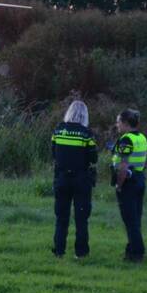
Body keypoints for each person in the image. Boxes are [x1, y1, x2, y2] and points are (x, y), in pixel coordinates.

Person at [50, 100, 98, 258]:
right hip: (81, 179)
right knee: (81, 218)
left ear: (69, 112)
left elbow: (53, 154)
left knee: (61, 217)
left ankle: (59, 251)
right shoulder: (86, 133)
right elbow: (93, 158)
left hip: (62, 178)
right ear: (85, 115)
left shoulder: (58, 130)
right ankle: (81, 252)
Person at [111, 108, 147, 262]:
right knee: (135, 219)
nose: (116, 124)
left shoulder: (126, 139)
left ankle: (137, 253)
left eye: (118, 121)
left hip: (128, 183)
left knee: (129, 220)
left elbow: (124, 166)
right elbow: (144, 162)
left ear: (125, 123)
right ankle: (131, 250)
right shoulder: (142, 138)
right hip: (139, 179)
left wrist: (119, 185)